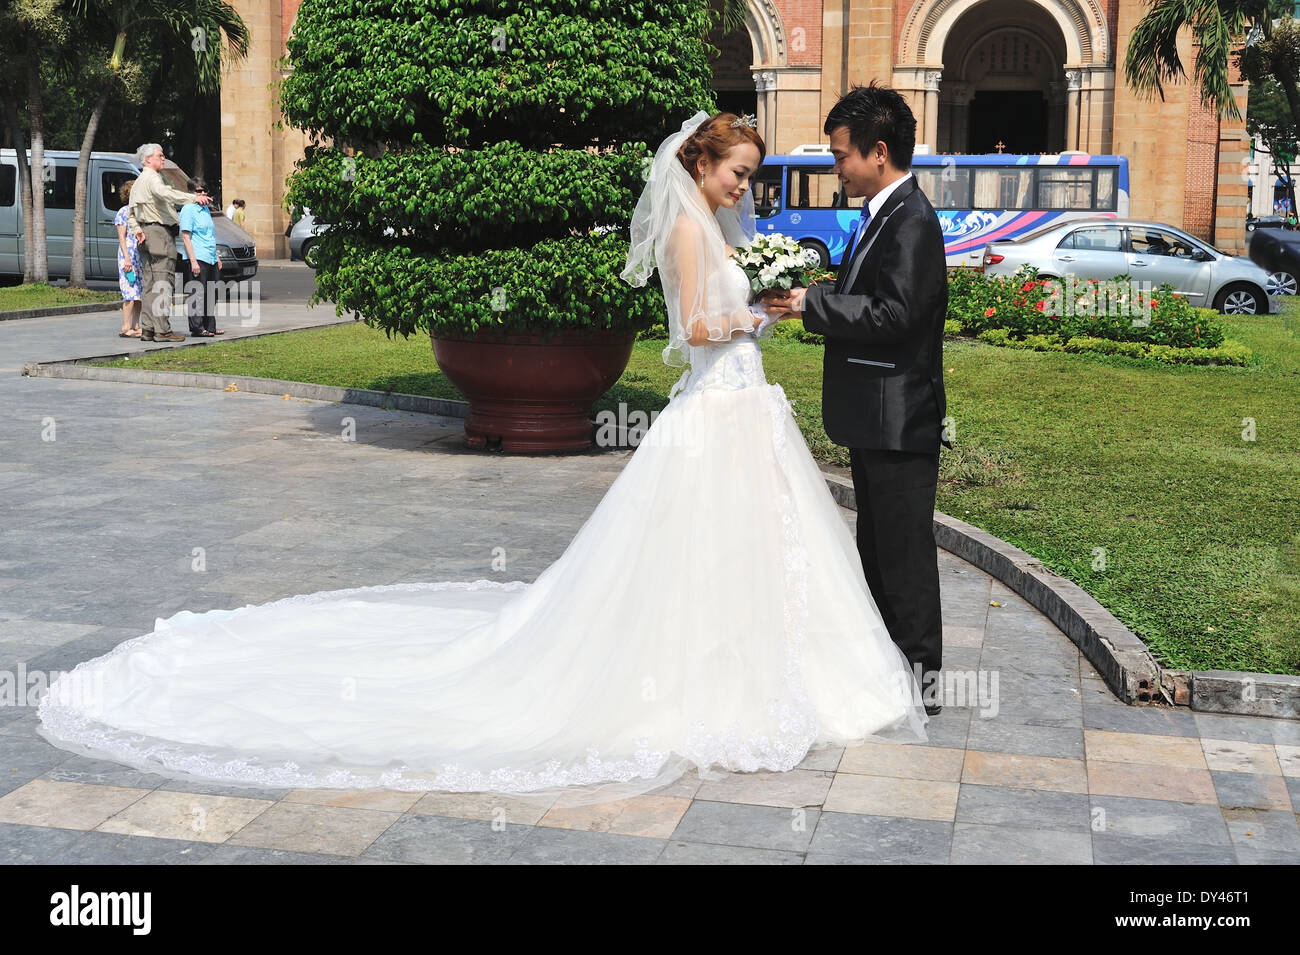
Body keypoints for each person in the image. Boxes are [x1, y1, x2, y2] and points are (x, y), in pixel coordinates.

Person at [36, 111, 929, 800]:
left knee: (755, 551)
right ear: (701, 165)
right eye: (739, 174)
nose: (746, 188)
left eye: (751, 178)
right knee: (706, 552)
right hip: (721, 400)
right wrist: (758, 311)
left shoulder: (716, 224)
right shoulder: (690, 230)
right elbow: (697, 326)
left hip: (742, 409)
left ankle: (776, 669)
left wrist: (764, 304)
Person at [763, 83, 950, 714]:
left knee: (904, 557)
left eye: (841, 156)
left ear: (877, 151)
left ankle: (923, 687)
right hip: (873, 415)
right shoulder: (885, 214)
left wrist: (809, 305)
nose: (835, 168)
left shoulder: (914, 221)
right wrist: (817, 291)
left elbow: (896, 314)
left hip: (900, 418)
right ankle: (888, 672)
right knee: (876, 549)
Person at [127, 143, 210, 342]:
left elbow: (130, 214)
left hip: (145, 235)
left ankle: (148, 328)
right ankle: (163, 330)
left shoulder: (138, 181)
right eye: (160, 155)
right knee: (164, 283)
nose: (163, 158)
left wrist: (138, 230)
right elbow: (165, 193)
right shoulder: (153, 179)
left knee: (148, 285)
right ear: (148, 159)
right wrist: (193, 198)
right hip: (159, 234)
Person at [178, 178, 224, 337]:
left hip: (209, 256)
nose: (203, 194)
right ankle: (197, 327)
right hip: (197, 256)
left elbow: (210, 235)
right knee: (197, 293)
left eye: (205, 191)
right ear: (191, 193)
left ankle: (210, 326)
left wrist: (216, 256)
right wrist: (193, 261)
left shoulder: (206, 210)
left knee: (212, 292)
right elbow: (186, 237)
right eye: (199, 191)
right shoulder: (188, 209)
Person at [113, 179, 142, 338]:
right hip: (128, 255)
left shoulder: (139, 211)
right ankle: (125, 326)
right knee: (129, 292)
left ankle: (135, 324)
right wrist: (127, 259)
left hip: (139, 256)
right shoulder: (123, 212)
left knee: (138, 294)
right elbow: (122, 238)